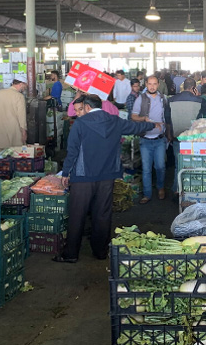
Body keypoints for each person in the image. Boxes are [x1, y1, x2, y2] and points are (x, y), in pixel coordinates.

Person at [54, 94, 158, 264]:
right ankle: (100, 251)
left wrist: (66, 172)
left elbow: (72, 151)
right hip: (107, 176)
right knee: (102, 213)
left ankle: (71, 254)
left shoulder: (80, 123)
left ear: (87, 107)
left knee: (77, 214)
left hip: (83, 177)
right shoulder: (114, 120)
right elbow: (134, 127)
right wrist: (153, 124)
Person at [131, 75, 173, 204]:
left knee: (160, 166)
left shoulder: (164, 99)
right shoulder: (140, 99)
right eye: (150, 84)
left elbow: (167, 118)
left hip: (160, 139)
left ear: (158, 85)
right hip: (145, 139)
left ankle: (160, 187)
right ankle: (147, 194)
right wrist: (144, 119)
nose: (152, 86)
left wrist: (169, 134)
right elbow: (133, 116)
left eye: (155, 84)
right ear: (146, 84)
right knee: (146, 168)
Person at [0, 80, 28, 154]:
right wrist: (23, 131)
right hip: (14, 128)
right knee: (15, 151)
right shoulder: (19, 96)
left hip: (0, 126)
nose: (24, 89)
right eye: (25, 87)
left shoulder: (0, 93)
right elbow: (21, 115)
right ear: (21, 84)